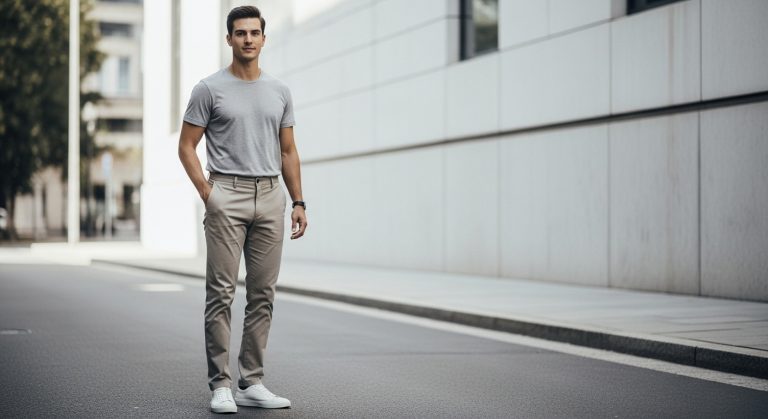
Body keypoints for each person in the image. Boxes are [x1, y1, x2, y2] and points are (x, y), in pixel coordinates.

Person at [177, 5, 307, 414]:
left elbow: (288, 151)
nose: (247, 39)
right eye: (240, 33)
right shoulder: (208, 89)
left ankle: (252, 382)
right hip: (226, 194)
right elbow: (186, 146)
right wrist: (207, 192)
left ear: (264, 39)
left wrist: (299, 200)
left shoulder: (280, 91)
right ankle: (221, 385)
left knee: (262, 294)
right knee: (220, 293)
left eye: (254, 33)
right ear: (229, 39)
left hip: (271, 196)